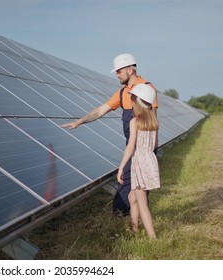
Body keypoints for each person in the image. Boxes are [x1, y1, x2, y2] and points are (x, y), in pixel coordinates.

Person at [60, 53, 158, 215]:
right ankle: (130, 218)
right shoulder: (121, 93)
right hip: (131, 146)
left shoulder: (147, 89)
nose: (117, 75)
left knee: (134, 185)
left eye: (119, 71)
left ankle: (126, 218)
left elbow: (153, 121)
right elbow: (100, 110)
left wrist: (152, 151)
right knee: (130, 184)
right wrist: (79, 121)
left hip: (143, 149)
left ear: (129, 70)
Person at [117, 84, 160, 238]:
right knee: (131, 197)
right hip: (150, 160)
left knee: (142, 204)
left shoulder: (134, 122)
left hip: (139, 163)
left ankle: (153, 237)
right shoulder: (154, 123)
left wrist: (121, 167)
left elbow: (130, 147)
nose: (132, 104)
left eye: (133, 101)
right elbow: (155, 145)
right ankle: (133, 230)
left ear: (138, 104)